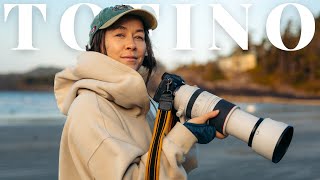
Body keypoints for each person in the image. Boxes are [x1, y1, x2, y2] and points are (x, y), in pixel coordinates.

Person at [54, 4, 225, 180]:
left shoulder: (141, 101)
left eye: (139, 37)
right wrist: (184, 136)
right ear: (98, 43)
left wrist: (183, 128)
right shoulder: (91, 108)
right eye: (120, 35)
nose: (131, 45)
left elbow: (171, 168)